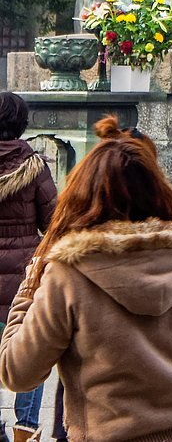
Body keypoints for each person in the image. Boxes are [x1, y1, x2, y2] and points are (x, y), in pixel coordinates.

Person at [0, 115, 172, 442]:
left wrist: (31, 284)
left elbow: (17, 372)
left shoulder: (69, 272)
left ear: (82, 196)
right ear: (158, 191)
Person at [0, 93, 57, 442]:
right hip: (24, 278)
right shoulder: (35, 167)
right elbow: (55, 222)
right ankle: (26, 428)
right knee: (32, 353)